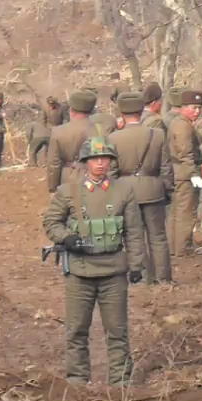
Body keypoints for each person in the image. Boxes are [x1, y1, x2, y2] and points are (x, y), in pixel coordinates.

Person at [42, 137, 145, 386]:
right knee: (76, 329)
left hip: (113, 271)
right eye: (95, 159)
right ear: (86, 162)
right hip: (80, 271)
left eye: (105, 158)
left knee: (117, 330)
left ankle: (120, 381)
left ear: (111, 161)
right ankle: (77, 379)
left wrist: (136, 265)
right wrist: (66, 238)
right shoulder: (68, 191)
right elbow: (51, 222)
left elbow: (133, 231)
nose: (100, 163)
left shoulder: (124, 191)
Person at [109, 92, 174, 285]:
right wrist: (167, 190)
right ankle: (164, 279)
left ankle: (142, 277)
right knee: (158, 237)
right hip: (154, 189)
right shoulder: (158, 134)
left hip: (125, 191)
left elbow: (111, 171)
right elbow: (166, 167)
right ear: (141, 110)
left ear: (121, 112)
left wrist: (113, 194)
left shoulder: (113, 138)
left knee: (133, 236)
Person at [168, 89, 202, 256]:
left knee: (178, 211)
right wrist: (194, 176)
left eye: (199, 108)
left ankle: (175, 247)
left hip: (180, 173)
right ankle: (183, 248)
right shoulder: (183, 126)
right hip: (185, 174)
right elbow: (186, 154)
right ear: (183, 107)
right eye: (193, 107)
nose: (197, 111)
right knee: (186, 212)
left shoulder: (181, 123)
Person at [47, 91, 97, 192]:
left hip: (68, 177)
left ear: (71, 110)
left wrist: (53, 187)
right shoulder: (100, 130)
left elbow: (54, 163)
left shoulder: (58, 131)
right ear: (92, 111)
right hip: (95, 177)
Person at [27, 97, 60, 166]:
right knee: (48, 150)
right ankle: (46, 163)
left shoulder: (32, 123)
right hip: (49, 136)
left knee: (32, 150)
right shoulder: (48, 123)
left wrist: (29, 141)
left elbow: (28, 133)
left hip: (37, 138)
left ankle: (33, 163)